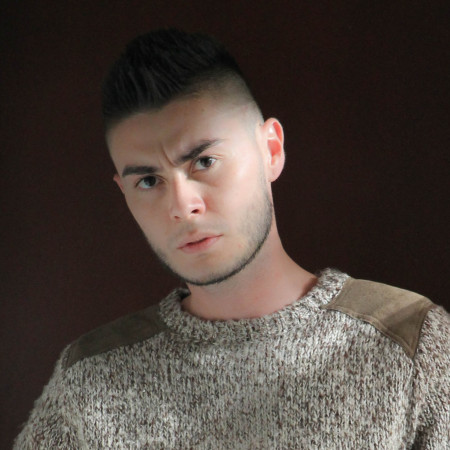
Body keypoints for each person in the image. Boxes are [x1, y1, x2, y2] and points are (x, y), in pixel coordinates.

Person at [15, 28, 449, 449]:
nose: (182, 206)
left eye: (204, 161)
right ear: (124, 193)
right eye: (148, 181)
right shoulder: (90, 377)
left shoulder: (413, 343)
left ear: (271, 150)